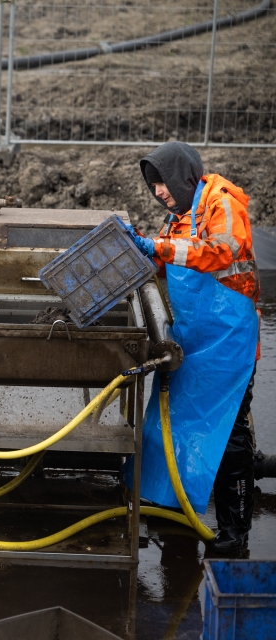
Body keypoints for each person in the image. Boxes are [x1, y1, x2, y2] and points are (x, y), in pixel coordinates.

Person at [124, 141, 260, 555]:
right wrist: (136, 249)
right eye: (153, 186)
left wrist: (156, 247)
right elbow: (163, 262)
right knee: (174, 425)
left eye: (162, 182)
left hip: (229, 344)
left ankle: (234, 536)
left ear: (184, 175)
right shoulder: (177, 218)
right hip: (195, 342)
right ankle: (175, 511)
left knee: (231, 438)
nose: (159, 192)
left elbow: (222, 250)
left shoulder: (221, 202)